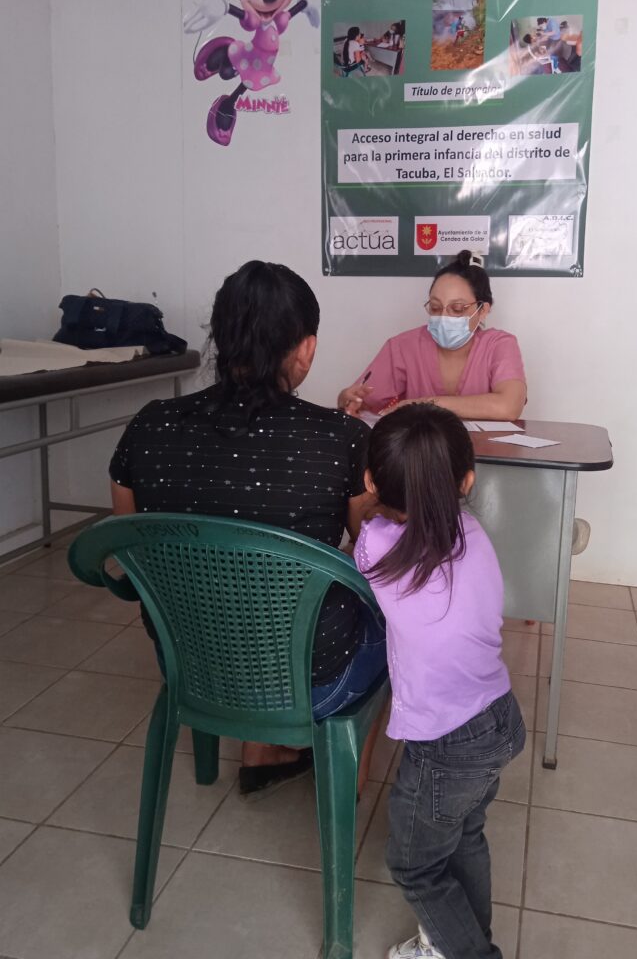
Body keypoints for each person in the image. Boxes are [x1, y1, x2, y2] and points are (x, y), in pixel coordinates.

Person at [109, 260, 387, 793]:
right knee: (391, 620)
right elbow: (371, 550)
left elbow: (134, 551)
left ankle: (261, 748)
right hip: (310, 682)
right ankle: (344, 779)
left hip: (189, 668)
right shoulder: (341, 439)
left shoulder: (148, 426)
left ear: (219, 339)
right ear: (306, 349)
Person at [354, 404, 526, 959]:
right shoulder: (473, 531)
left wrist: (370, 498)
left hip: (448, 744)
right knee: (465, 835)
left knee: (415, 865)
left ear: (371, 482)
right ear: (467, 482)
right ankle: (455, 942)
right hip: (499, 717)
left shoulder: (376, 547)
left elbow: (362, 524)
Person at [338, 250, 526, 421]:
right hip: (419, 448)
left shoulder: (499, 345)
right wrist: (347, 400)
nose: (444, 317)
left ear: (482, 310)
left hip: (484, 447)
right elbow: (362, 403)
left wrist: (423, 404)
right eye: (435, 308)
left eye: (457, 309)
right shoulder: (403, 346)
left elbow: (508, 407)